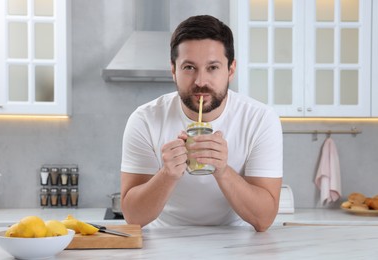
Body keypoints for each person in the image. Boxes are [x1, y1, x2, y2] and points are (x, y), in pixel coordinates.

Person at [120, 15, 283, 232]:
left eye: (213, 67)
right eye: (189, 67)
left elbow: (264, 219)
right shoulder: (145, 120)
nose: (200, 82)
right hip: (165, 240)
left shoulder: (260, 119)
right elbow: (133, 218)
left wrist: (223, 170)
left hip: (238, 242)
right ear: (173, 70)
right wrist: (167, 175)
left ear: (231, 70)